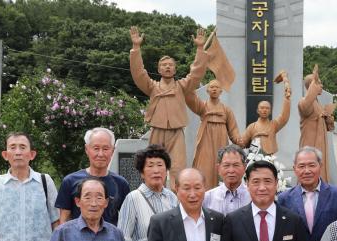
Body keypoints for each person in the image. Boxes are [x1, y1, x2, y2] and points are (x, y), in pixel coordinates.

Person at [129, 25, 209, 183]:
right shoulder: (152, 87)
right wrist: (136, 47)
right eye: (164, 65)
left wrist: (200, 49)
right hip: (157, 131)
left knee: (177, 169)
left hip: (176, 133)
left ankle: (176, 201)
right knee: (153, 167)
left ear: (175, 69)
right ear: (158, 69)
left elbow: (196, 73)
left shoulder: (182, 87)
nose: (167, 67)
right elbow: (138, 72)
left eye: (170, 65)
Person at [56, 128, 130, 226]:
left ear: (112, 151)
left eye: (105, 149)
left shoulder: (121, 183)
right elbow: (64, 219)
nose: (100, 154)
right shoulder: (70, 181)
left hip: (109, 240)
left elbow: (127, 219)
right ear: (87, 149)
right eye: (96, 148)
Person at [186, 79, 242, 189]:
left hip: (221, 142)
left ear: (221, 91)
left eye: (217, 87)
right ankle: (203, 195)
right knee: (204, 168)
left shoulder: (226, 110)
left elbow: (233, 130)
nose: (214, 89)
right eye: (212, 87)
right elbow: (190, 99)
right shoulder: (202, 106)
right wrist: (191, 84)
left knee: (221, 167)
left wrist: (240, 140)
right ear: (207, 90)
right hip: (205, 141)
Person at [298, 65, 334, 182]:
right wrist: (314, 80)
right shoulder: (304, 102)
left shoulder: (317, 103)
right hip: (310, 142)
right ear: (312, 86)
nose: (321, 86)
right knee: (309, 163)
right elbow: (305, 107)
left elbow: (328, 126)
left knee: (320, 164)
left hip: (320, 142)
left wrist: (327, 117)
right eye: (319, 84)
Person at [240, 80, 291, 155]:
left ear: (270, 111)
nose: (264, 110)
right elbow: (242, 142)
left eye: (267, 108)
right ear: (257, 110)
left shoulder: (274, 124)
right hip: (255, 157)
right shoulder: (252, 127)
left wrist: (287, 99)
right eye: (262, 108)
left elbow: (284, 116)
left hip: (269, 157)